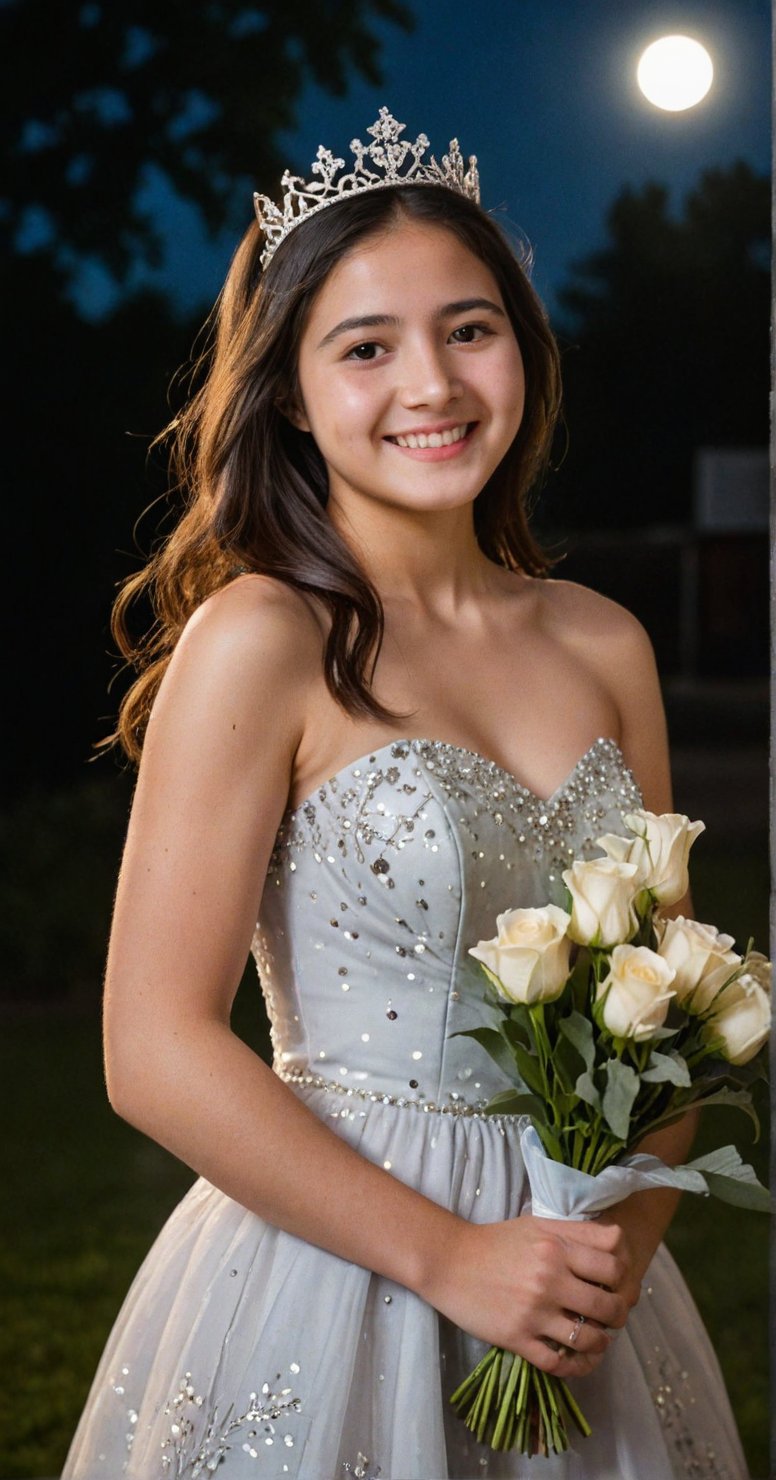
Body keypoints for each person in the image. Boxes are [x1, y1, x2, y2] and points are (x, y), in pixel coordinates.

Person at [63, 110, 747, 1479]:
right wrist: (453, 1259)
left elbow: (679, 1008)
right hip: (338, 1272)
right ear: (292, 393)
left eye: (469, 328)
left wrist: (593, 1264)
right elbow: (152, 1045)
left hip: (580, 1278)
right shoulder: (265, 640)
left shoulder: (605, 642)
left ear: (524, 351)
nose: (430, 383)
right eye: (366, 347)